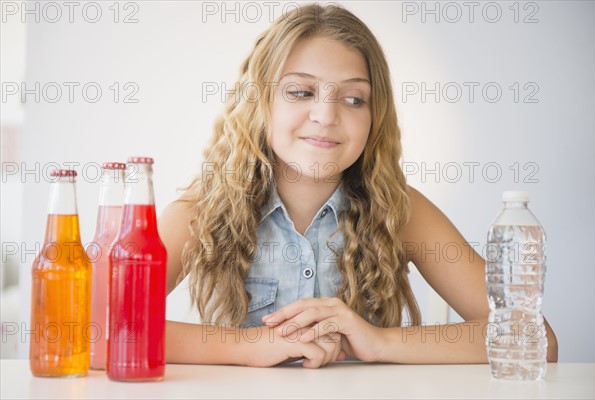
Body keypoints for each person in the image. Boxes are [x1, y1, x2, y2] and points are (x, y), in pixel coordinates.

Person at [159, 3, 558, 368]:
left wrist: (378, 342)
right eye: (301, 92)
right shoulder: (200, 211)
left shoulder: (402, 211)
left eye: (353, 99)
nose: (326, 115)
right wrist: (249, 347)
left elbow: (531, 337)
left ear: (374, 117)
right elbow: (102, 330)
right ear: (259, 103)